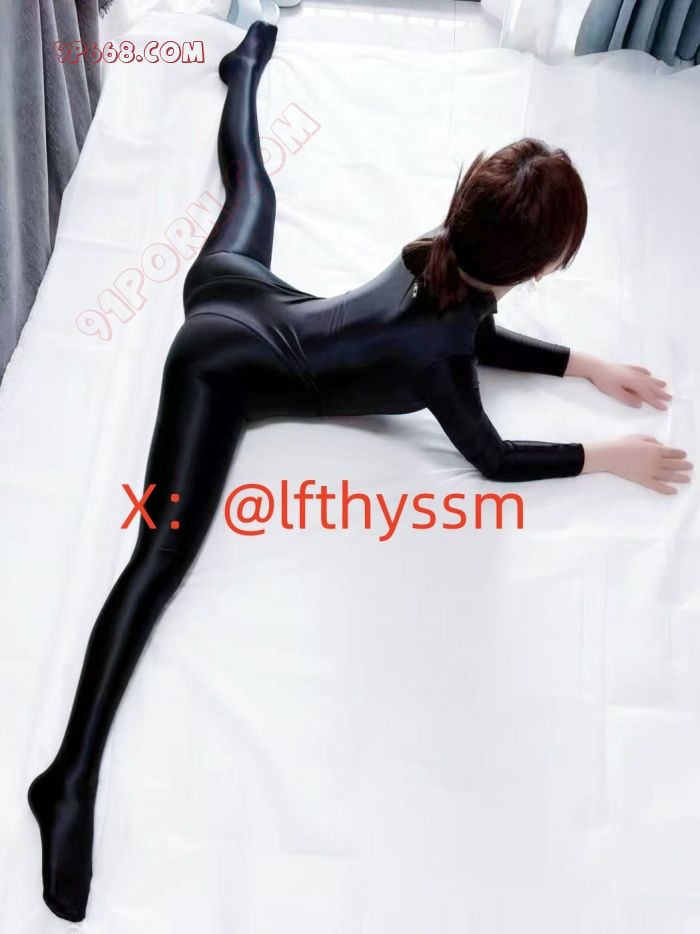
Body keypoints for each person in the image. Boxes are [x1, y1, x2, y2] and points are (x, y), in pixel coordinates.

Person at [27, 19, 693, 923]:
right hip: (213, 374)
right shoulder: (440, 351)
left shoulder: (443, 245)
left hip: (237, 289)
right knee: (155, 561)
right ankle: (67, 780)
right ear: (534, 266)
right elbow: (492, 456)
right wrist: (608, 459)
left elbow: (471, 331)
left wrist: (583, 366)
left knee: (253, 184)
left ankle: (244, 70)